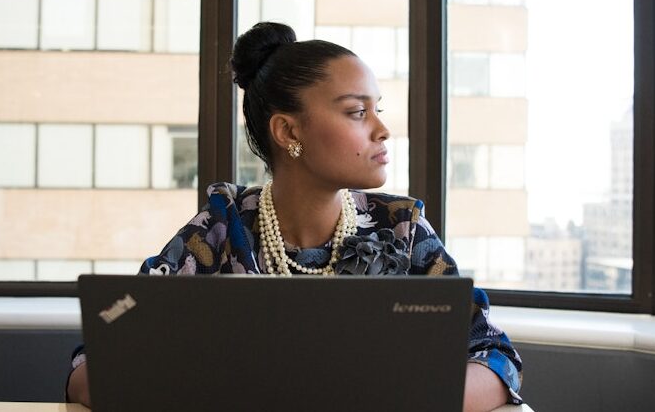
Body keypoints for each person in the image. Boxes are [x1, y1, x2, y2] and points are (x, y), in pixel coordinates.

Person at [66, 21, 523, 411]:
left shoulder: (402, 228)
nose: (383, 129)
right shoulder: (221, 228)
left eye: (377, 110)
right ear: (288, 130)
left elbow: (497, 357)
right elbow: (93, 365)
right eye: (357, 112)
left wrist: (398, 399)